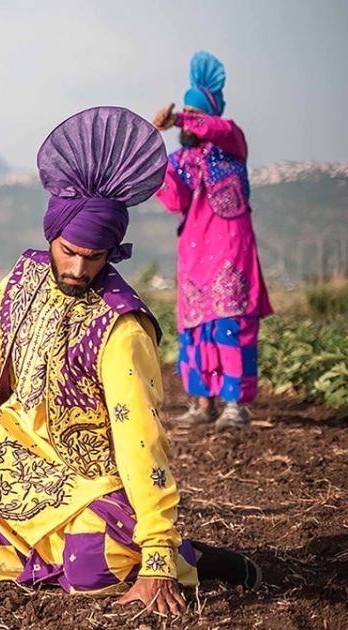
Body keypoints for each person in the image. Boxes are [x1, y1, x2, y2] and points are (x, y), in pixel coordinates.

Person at [0, 107, 260, 614]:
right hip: (25, 450)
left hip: (93, 480)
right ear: (52, 234)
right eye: (69, 251)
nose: (77, 268)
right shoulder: (26, 275)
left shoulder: (122, 327)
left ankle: (186, 558)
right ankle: (37, 553)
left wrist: (157, 551)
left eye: (95, 257)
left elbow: (142, 440)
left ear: (112, 251)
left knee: (92, 572)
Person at [153, 51, 272, 429]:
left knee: (230, 326)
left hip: (231, 255)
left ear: (210, 115)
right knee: (196, 331)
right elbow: (174, 199)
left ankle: (236, 406)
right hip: (193, 254)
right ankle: (203, 405)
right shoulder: (179, 160)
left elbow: (219, 130)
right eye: (185, 113)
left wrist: (181, 117)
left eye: (195, 113)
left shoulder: (232, 143)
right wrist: (153, 155)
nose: (188, 122)